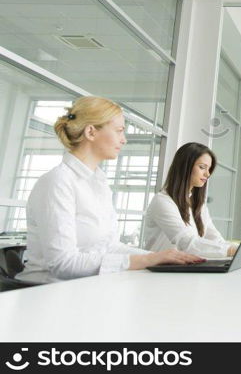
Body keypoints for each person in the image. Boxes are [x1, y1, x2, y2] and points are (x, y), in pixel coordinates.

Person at [17, 97, 202, 283]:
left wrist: (160, 258)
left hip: (84, 288)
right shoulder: (57, 182)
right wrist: (146, 260)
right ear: (91, 132)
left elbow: (110, 246)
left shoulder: (98, 182)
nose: (124, 140)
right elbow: (63, 264)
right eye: (119, 131)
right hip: (46, 292)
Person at [143, 142, 241, 259]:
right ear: (185, 167)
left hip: (183, 269)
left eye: (209, 169)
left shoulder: (197, 205)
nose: (208, 174)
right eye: (202, 167)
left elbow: (215, 239)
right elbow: (187, 242)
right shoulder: (163, 202)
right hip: (160, 273)